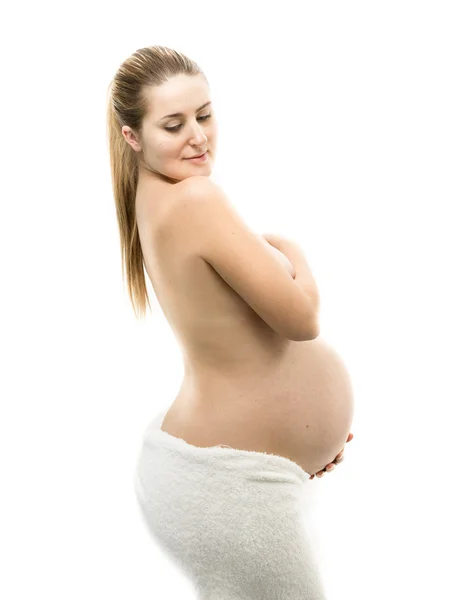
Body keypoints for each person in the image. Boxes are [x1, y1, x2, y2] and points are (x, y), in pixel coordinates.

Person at [107, 45, 354, 599]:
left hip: (220, 479)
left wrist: (303, 439)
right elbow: (302, 320)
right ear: (132, 136)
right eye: (173, 124)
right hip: (227, 488)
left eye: (205, 114)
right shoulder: (195, 198)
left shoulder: (152, 196)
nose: (197, 135)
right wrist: (293, 249)